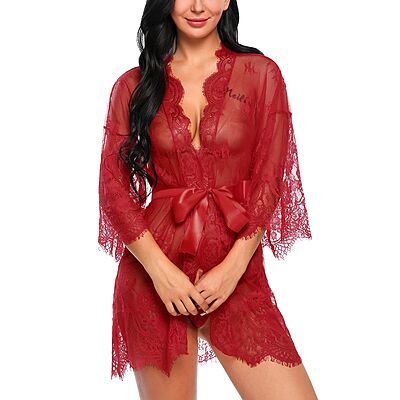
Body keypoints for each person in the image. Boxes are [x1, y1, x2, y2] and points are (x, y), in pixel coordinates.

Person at [98, 0, 317, 398]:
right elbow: (114, 190)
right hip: (154, 278)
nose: (198, 6)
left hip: (235, 275)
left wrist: (233, 269)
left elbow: (269, 181)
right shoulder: (134, 84)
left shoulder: (261, 74)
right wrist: (161, 274)